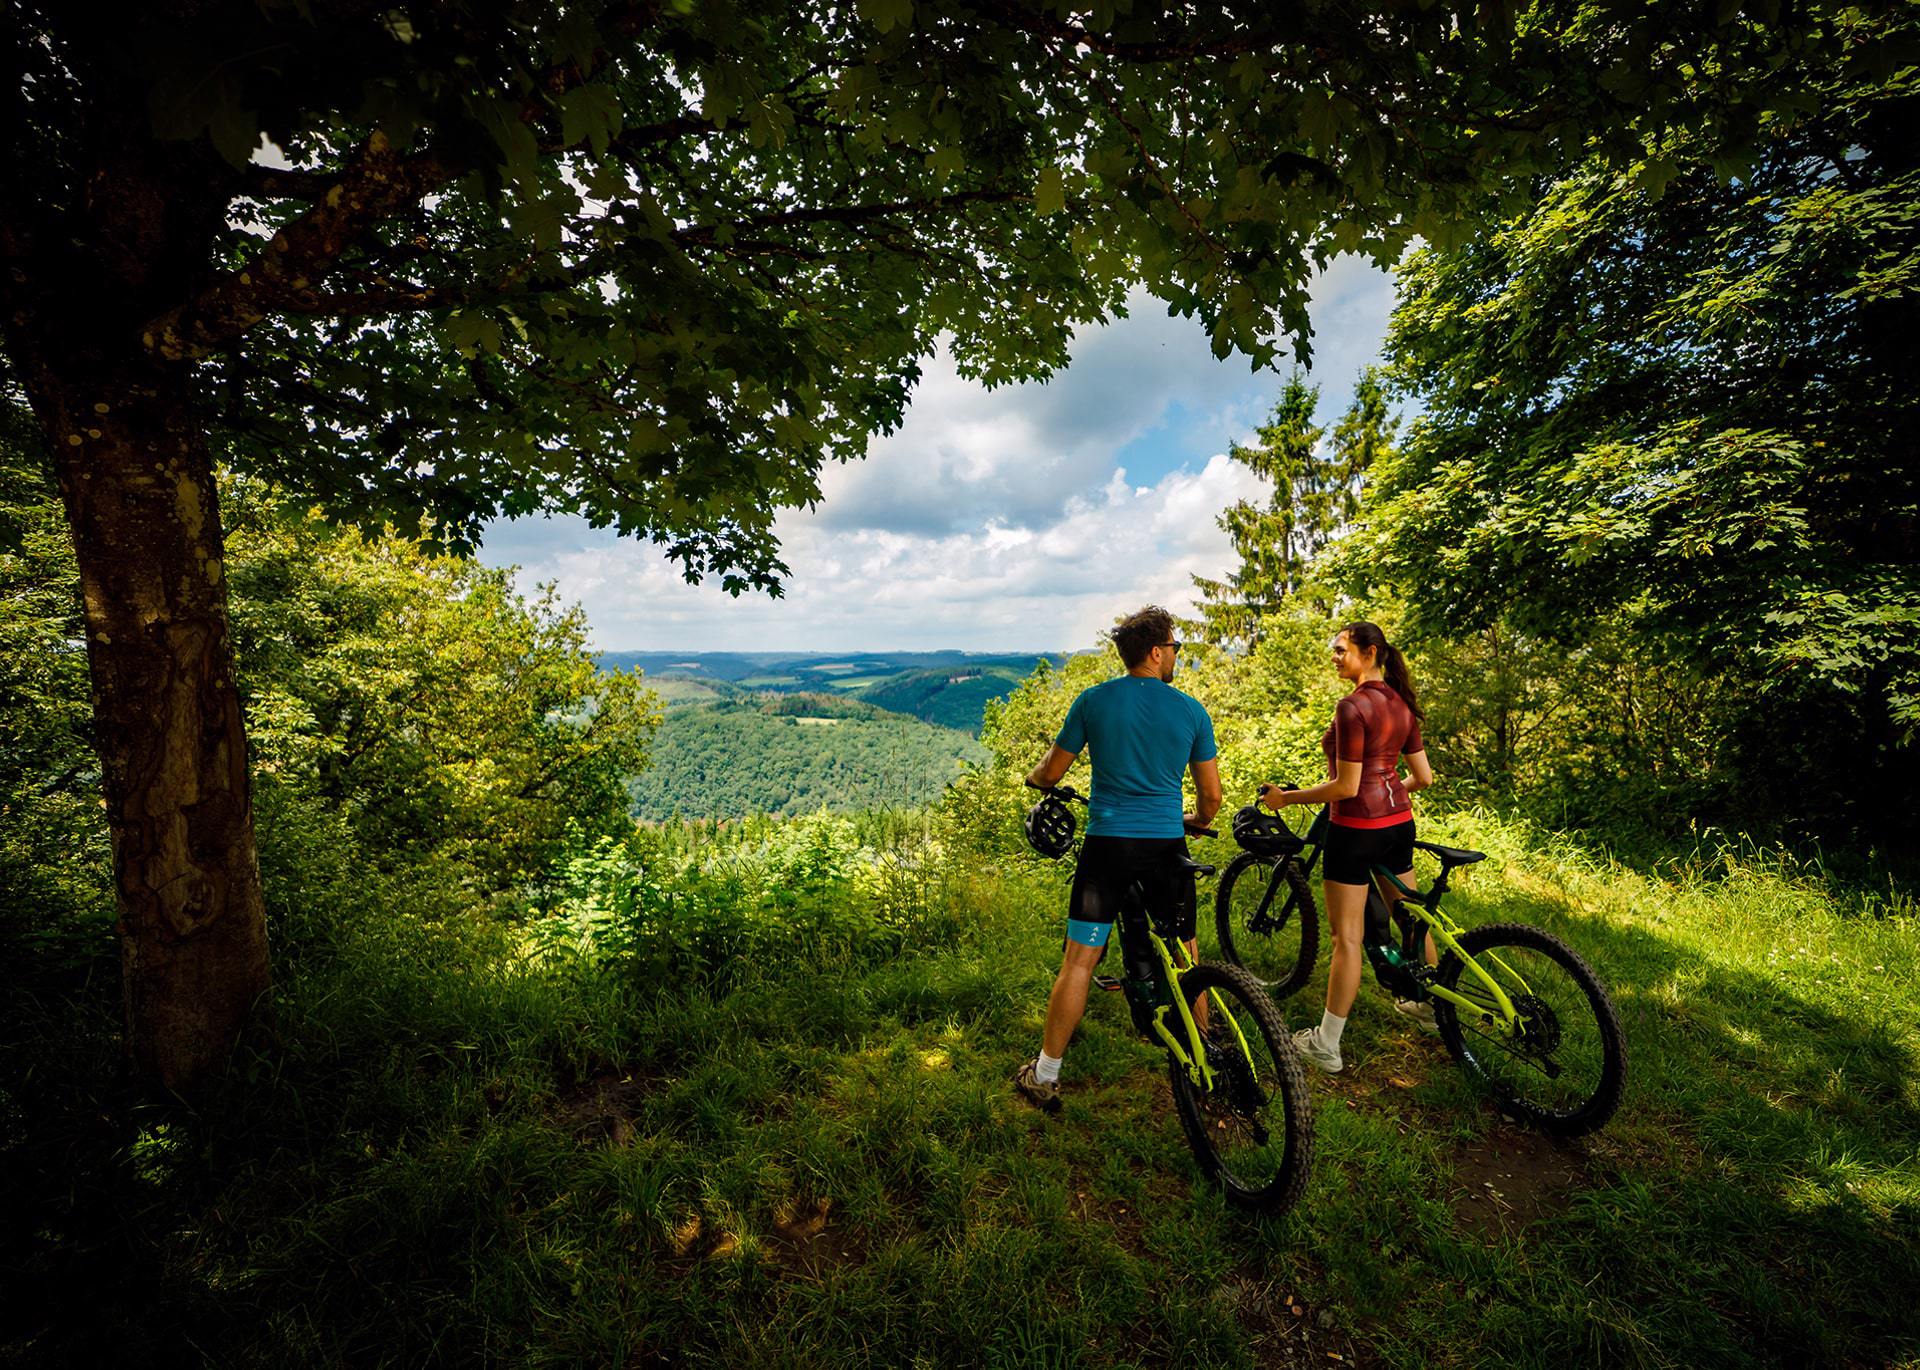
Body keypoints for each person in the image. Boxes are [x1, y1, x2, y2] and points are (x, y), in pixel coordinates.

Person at [1013, 605, 1222, 1112]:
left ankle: (1045, 1074)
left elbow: (1050, 771)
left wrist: (1038, 781)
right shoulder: (1191, 710)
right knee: (1184, 951)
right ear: (1155, 651)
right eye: (1174, 647)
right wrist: (1190, 819)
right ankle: (1204, 1054)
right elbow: (1212, 798)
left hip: (1107, 847)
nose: (1175, 655)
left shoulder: (1093, 701)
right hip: (1167, 845)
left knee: (1079, 961)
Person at [1261, 621, 1433, 1074]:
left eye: (1341, 650)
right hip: (1399, 824)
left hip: (1356, 829)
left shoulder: (1352, 707)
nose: (1334, 657)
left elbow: (1345, 786)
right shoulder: (1401, 703)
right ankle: (1432, 1006)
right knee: (1412, 917)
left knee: (1347, 938)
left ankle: (1326, 1044)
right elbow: (1423, 777)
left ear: (1370, 652)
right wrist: (1391, 792)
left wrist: (1286, 798)